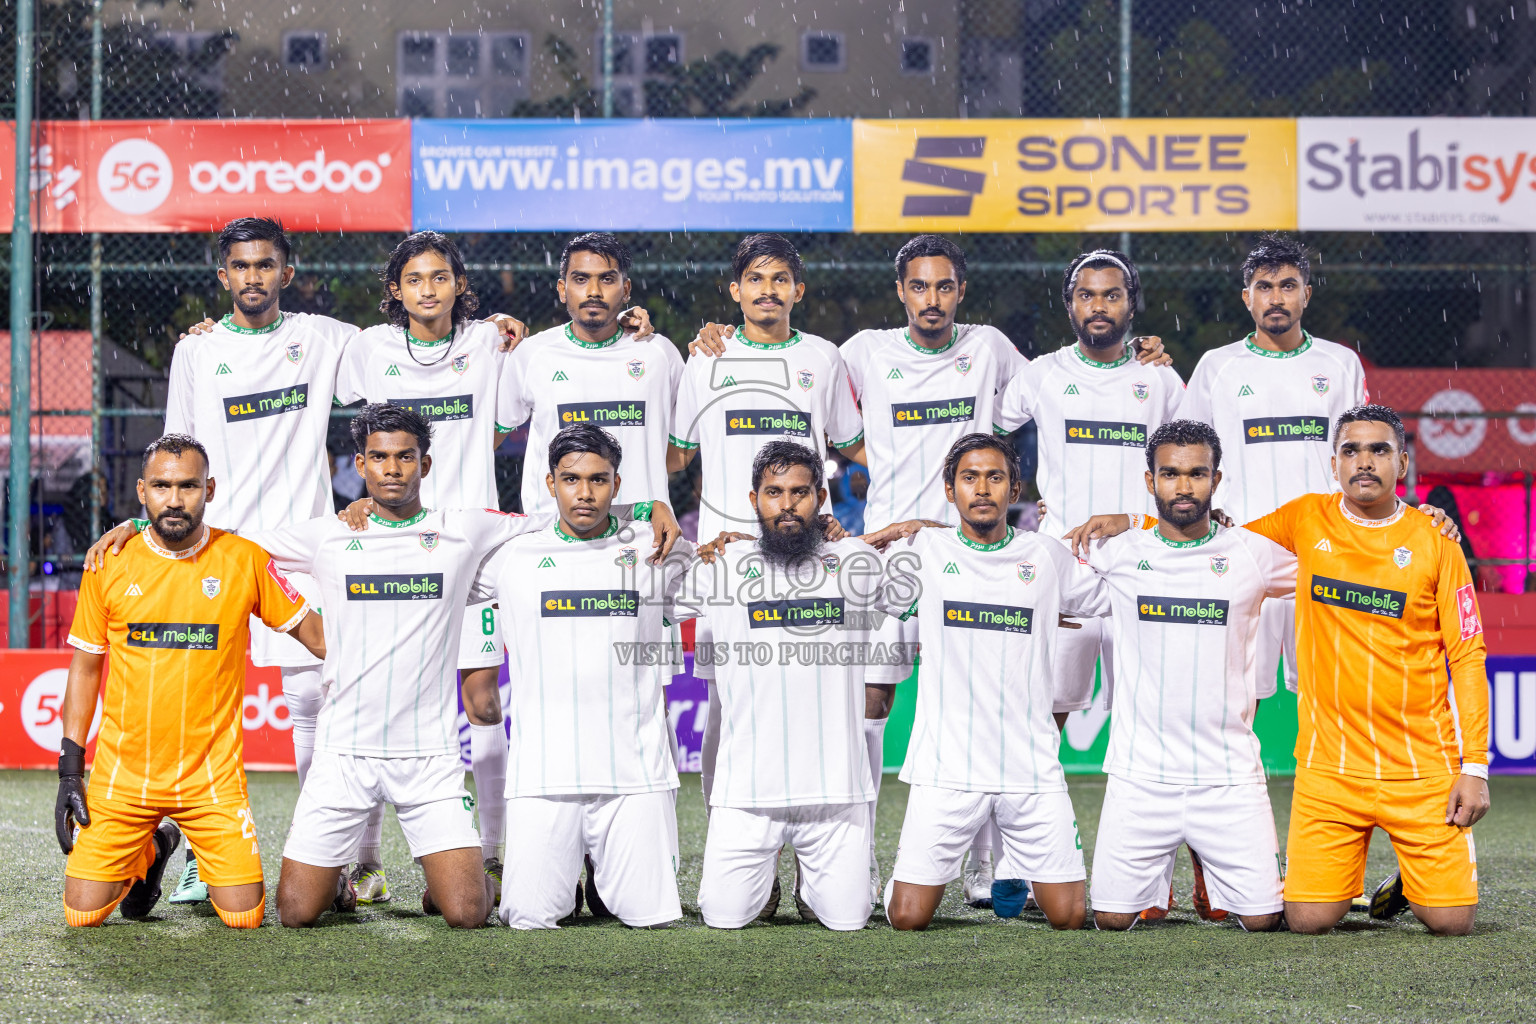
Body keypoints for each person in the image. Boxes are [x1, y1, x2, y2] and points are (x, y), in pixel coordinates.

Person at [92, 217, 527, 907]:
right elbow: (174, 449)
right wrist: (144, 520)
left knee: (315, 701)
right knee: (194, 698)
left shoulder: (327, 339)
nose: (254, 276)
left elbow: (422, 343)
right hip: (215, 546)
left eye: (266, 264)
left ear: (286, 274)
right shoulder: (198, 351)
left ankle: (348, 862)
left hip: (304, 553)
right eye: (241, 266)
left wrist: (498, 324)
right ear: (223, 276)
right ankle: (187, 844)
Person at [1067, 405, 1488, 935]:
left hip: (1420, 762)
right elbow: (1206, 538)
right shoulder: (1306, 518)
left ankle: (1413, 880)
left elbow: (1468, 655)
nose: (1364, 461)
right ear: (1334, 463)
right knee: (1306, 920)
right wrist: (1135, 521)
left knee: (1451, 924)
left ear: (1402, 463)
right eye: (1351, 450)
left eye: (1379, 450)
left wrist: (1476, 767)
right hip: (1329, 764)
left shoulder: (1436, 540)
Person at [668, 235, 865, 915]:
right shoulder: (706, 358)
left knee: (822, 698)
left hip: (805, 552)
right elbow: (674, 455)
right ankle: (743, 849)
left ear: (798, 291)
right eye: (755, 279)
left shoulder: (823, 358)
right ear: (735, 291)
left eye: (781, 279)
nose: (768, 290)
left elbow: (854, 446)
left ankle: (823, 861)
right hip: (728, 563)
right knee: (727, 707)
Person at [56, 434, 326, 928]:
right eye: (162, 486)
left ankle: (162, 842)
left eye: (188, 486)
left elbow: (318, 636)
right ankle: (154, 848)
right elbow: (86, 666)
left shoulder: (244, 558)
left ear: (210, 489)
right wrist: (70, 768)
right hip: (124, 778)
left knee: (243, 916)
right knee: (81, 914)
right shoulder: (107, 562)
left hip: (211, 778)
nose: (175, 499)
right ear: (142, 491)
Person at [334, 230, 517, 903]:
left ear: (460, 285)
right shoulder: (368, 348)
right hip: (393, 552)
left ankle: (491, 856)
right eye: (414, 279)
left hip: (471, 552)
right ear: (395, 290)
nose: (428, 289)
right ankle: (365, 864)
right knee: (375, 703)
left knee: (482, 700)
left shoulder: (491, 342)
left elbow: (517, 405)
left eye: (441, 276)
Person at [866, 434, 1103, 932]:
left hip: (1030, 766)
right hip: (946, 766)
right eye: (969, 477)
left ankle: (1012, 866)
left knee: (1070, 916)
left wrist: (1141, 524)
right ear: (949, 489)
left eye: (995, 477)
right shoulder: (923, 550)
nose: (981, 489)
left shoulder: (1047, 555)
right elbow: (844, 574)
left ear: (1014, 489)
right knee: (907, 918)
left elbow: (1121, 591)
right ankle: (906, 873)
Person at [473, 423, 691, 929]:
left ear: (617, 484)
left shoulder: (657, 545)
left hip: (633, 775)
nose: (585, 493)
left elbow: (737, 577)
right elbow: (435, 562)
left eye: (599, 479)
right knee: (527, 919)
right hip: (543, 775)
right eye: (571, 479)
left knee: (651, 920)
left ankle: (602, 875)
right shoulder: (511, 554)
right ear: (550, 483)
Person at [1076, 421, 1292, 932]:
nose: (1184, 486)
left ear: (1216, 479)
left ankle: (1215, 874)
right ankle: (1163, 882)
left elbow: (1341, 563)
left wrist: (1422, 526)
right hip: (1140, 774)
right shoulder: (1118, 552)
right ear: (1150, 481)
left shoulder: (1252, 553)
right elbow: (1028, 567)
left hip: (1227, 775)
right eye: (1170, 474)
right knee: (1110, 918)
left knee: (1263, 920)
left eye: (1197, 474)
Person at [676, 441, 880, 930]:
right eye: (774, 492)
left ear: (820, 499)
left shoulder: (856, 562)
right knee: (723, 916)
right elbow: (637, 593)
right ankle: (768, 877)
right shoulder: (721, 566)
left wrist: (899, 529)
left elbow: (938, 582)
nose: (787, 504)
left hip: (834, 795)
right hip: (747, 795)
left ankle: (812, 881)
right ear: (754, 500)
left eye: (799, 492)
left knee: (849, 919)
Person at [994, 249, 1185, 734]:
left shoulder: (1159, 377)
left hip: (1142, 564)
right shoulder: (1042, 374)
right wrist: (1015, 491)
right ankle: (1037, 788)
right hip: (1063, 563)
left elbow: (1190, 462)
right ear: (1070, 304)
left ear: (1131, 304)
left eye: (1112, 296)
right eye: (1086, 296)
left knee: (1146, 715)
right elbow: (986, 434)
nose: (1099, 306)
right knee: (1043, 716)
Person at [1179, 234, 1368, 704]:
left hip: (1324, 550)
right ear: (1247, 297)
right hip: (1243, 548)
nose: (1276, 297)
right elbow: (1186, 457)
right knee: (1238, 696)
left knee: (1329, 694)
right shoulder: (1217, 367)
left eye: (1288, 286)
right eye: (1264, 287)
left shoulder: (1341, 364)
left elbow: (1363, 457)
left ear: (1307, 293)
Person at [500, 233, 684, 517]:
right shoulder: (532, 354)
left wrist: (642, 476)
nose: (594, 291)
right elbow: (484, 438)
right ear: (562, 289)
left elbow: (682, 452)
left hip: (641, 529)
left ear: (626, 290)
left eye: (607, 279)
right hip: (552, 528)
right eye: (581, 279)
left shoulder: (660, 354)